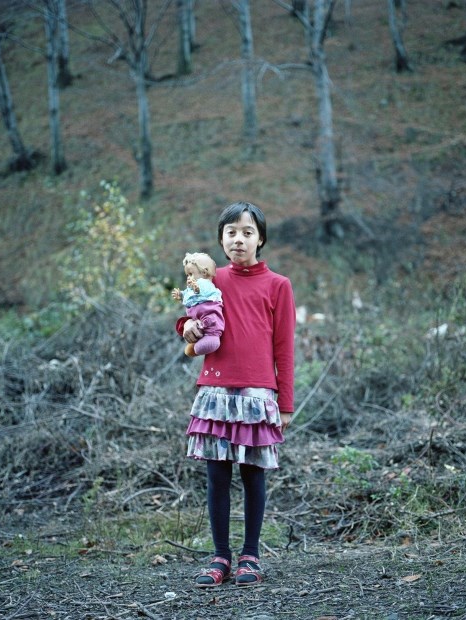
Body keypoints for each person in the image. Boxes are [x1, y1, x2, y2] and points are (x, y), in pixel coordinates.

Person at [175, 201, 296, 588]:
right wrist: (187, 327)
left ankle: (250, 555)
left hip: (258, 397)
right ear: (221, 239)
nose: (238, 240)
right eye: (231, 233)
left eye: (247, 232)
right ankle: (220, 557)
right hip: (215, 394)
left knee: (253, 477)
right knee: (216, 477)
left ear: (261, 239)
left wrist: (285, 404)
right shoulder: (211, 281)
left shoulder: (278, 285)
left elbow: (284, 349)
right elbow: (192, 317)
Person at [171, 252, 224, 357]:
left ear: (204, 272)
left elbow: (202, 290)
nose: (188, 277)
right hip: (197, 319)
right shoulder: (191, 287)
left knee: (210, 322)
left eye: (191, 274)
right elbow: (188, 294)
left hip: (207, 316)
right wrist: (180, 295)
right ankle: (199, 340)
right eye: (187, 275)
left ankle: (212, 338)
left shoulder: (205, 283)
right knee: (199, 329)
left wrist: (196, 288)